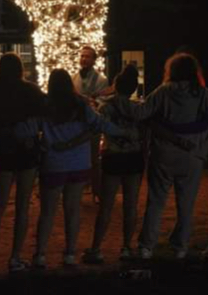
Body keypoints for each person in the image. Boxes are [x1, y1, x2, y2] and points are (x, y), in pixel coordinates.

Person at [125, 53, 208, 259]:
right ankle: (180, 247)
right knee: (186, 204)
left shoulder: (163, 91)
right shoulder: (201, 93)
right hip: (192, 154)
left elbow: (141, 113)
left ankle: (147, 246)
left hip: (163, 154)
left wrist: (119, 101)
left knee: (155, 202)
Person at [16, 69, 130, 269]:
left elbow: (25, 129)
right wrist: (123, 132)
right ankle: (69, 253)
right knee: (73, 210)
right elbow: (100, 123)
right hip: (78, 163)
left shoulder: (46, 107)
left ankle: (40, 254)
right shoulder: (80, 106)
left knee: (48, 212)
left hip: (53, 164)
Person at [0, 53, 48, 274]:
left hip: (3, 151)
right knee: (22, 205)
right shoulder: (31, 91)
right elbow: (44, 115)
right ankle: (15, 257)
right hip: (26, 150)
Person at [81, 65, 145, 263]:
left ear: (115, 85)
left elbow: (97, 130)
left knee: (106, 206)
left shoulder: (105, 107)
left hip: (113, 156)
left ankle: (96, 247)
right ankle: (127, 247)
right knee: (131, 204)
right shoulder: (139, 108)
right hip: (133, 157)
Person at [72, 46, 110, 201]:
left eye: (87, 56)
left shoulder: (101, 80)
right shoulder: (74, 78)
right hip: (78, 124)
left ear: (94, 60)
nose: (83, 59)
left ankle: (97, 191)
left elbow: (101, 103)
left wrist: (90, 101)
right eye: (82, 56)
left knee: (94, 159)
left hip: (92, 124)